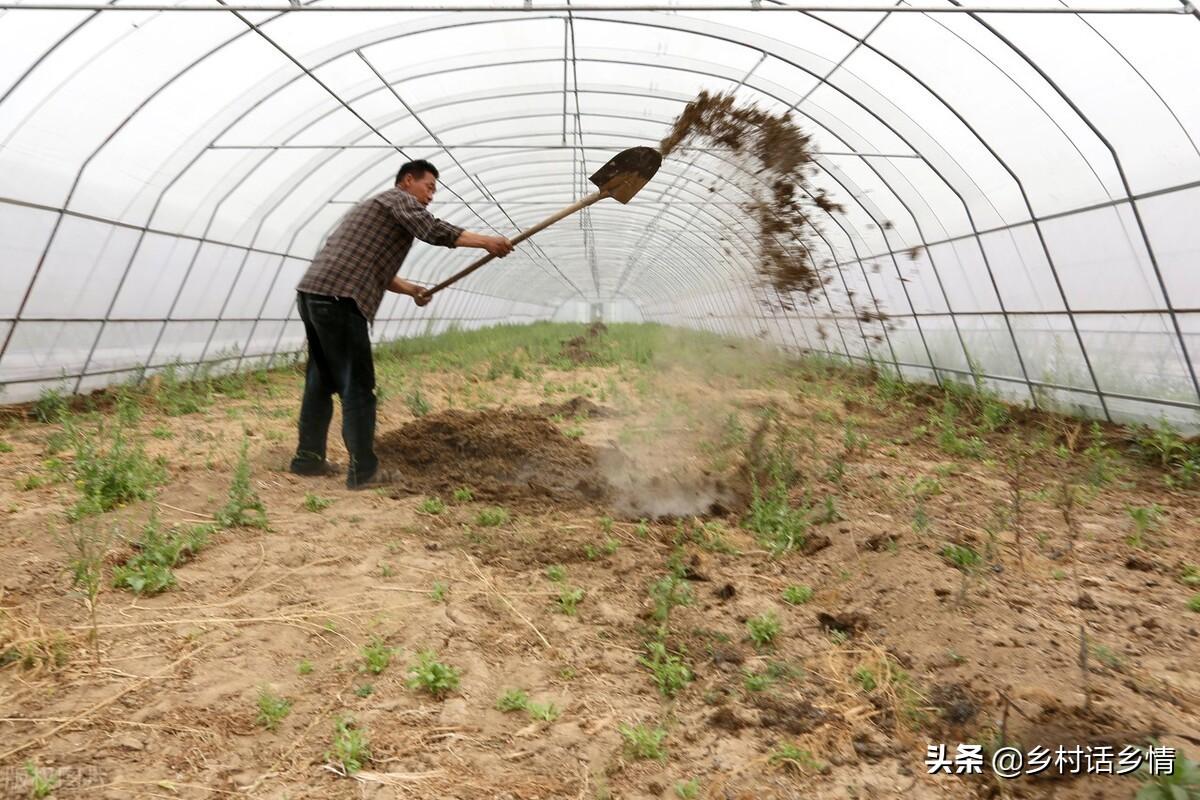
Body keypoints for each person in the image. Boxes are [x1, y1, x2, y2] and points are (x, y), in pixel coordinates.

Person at [289, 159, 513, 488]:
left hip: (314, 294)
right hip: (339, 300)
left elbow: (372, 264)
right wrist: (487, 241)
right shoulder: (399, 199)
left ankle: (307, 460)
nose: (431, 196)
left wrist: (411, 290)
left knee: (320, 383)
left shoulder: (376, 207)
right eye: (429, 187)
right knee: (358, 389)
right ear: (408, 181)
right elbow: (433, 230)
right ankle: (363, 472)